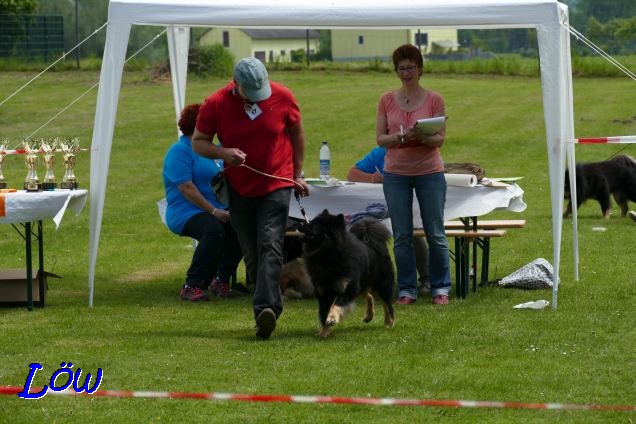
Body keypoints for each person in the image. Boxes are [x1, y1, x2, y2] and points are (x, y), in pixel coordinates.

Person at [192, 57, 310, 339]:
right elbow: (198, 141)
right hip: (239, 189)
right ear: (236, 85)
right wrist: (224, 153)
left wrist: (298, 172)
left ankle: (266, 310)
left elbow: (297, 134)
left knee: (270, 243)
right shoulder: (216, 103)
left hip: (277, 184)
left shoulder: (283, 96)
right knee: (253, 254)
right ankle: (266, 311)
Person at [375, 44, 451, 306]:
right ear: (396, 71)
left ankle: (440, 287)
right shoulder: (386, 99)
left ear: (420, 69)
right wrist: (398, 137)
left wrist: (423, 136)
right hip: (396, 173)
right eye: (401, 68)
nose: (406, 72)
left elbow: (440, 139)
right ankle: (407, 289)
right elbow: (380, 138)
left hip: (429, 171)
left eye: (411, 67)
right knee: (402, 234)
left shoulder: (434, 99)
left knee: (435, 232)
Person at [163, 103, 244, 302]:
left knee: (241, 229)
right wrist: (214, 211)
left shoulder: (214, 149)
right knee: (213, 230)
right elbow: (186, 188)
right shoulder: (179, 151)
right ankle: (192, 285)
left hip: (217, 209)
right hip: (186, 211)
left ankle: (221, 280)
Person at [347, 146, 431, 294]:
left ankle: (427, 278)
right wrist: (372, 178)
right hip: (380, 211)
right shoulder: (381, 152)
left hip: (410, 209)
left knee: (411, 232)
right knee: (364, 230)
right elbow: (352, 173)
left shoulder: (415, 152)